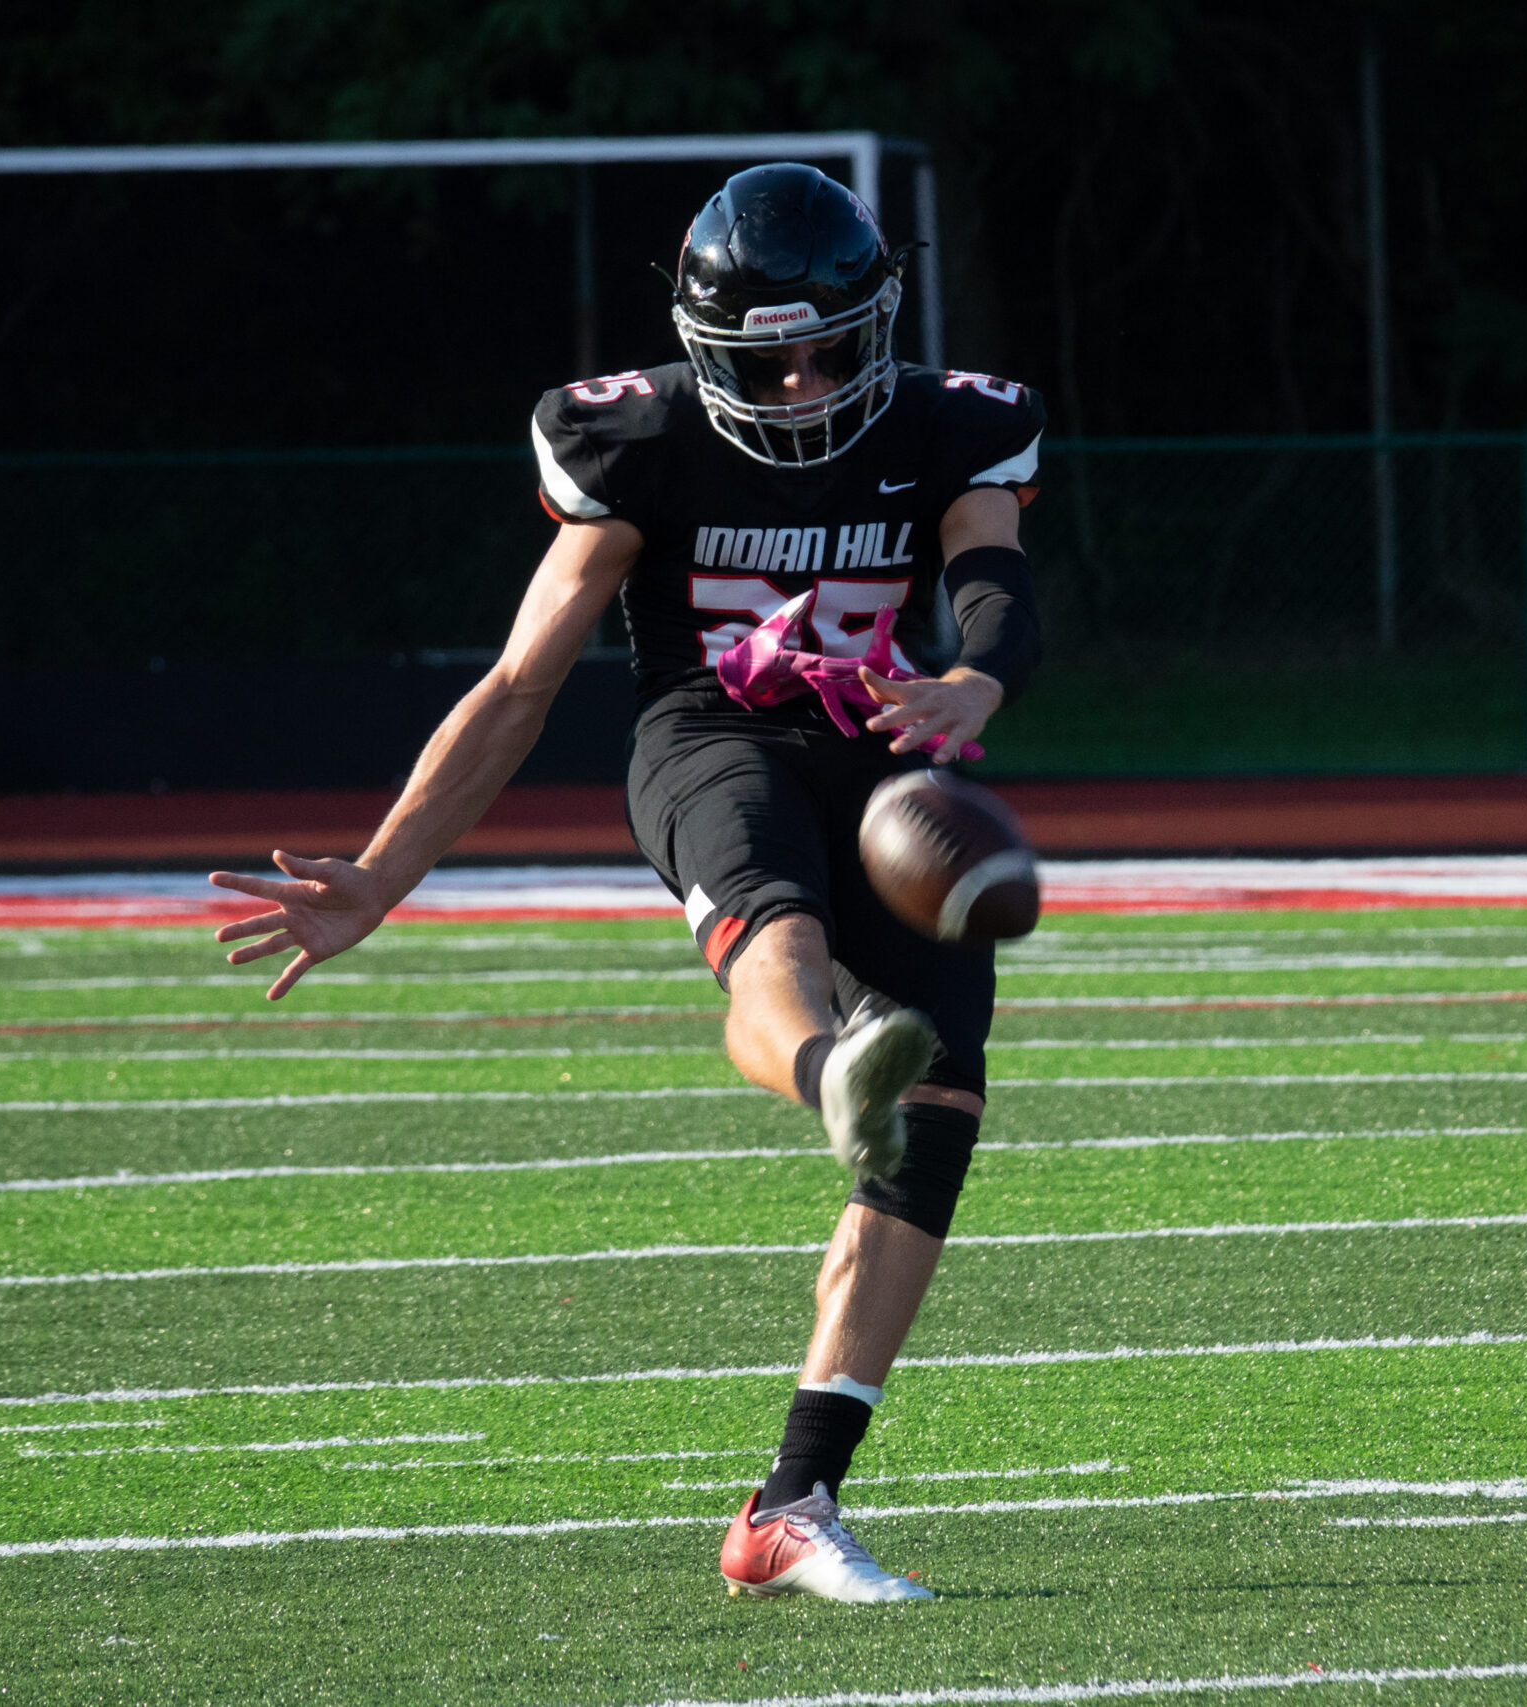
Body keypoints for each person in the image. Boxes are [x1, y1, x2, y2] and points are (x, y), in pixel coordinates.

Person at [207, 163, 1044, 1605]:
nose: (800, 385)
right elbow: (519, 685)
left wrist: (974, 680)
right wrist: (386, 872)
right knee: (775, 937)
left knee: (942, 1114)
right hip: (710, 737)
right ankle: (823, 1070)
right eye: (767, 359)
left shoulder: (948, 423)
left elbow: (993, 577)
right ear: (703, 349)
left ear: (881, 323)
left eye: (828, 349)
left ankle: (794, 1504)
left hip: (887, 744)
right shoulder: (638, 438)